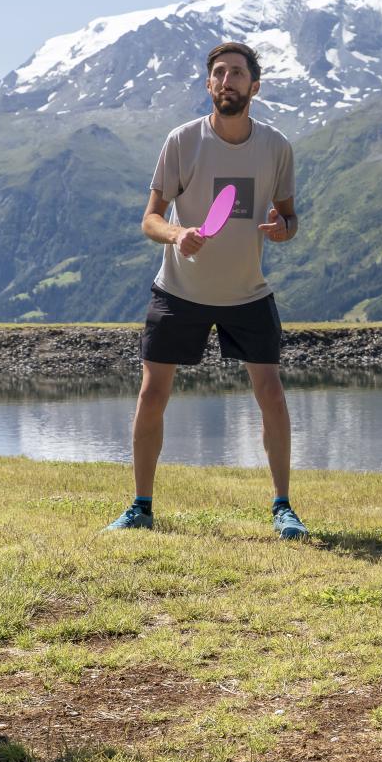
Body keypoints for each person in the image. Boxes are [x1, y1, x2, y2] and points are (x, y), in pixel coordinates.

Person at [107, 42, 304, 539]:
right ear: (208, 84)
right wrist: (177, 234)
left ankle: (283, 508)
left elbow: (288, 215)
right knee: (151, 396)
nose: (227, 81)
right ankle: (141, 507)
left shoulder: (276, 147)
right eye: (218, 73)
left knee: (272, 397)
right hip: (178, 290)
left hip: (248, 293)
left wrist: (284, 227)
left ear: (254, 87)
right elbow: (150, 218)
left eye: (237, 74)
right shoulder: (182, 141)